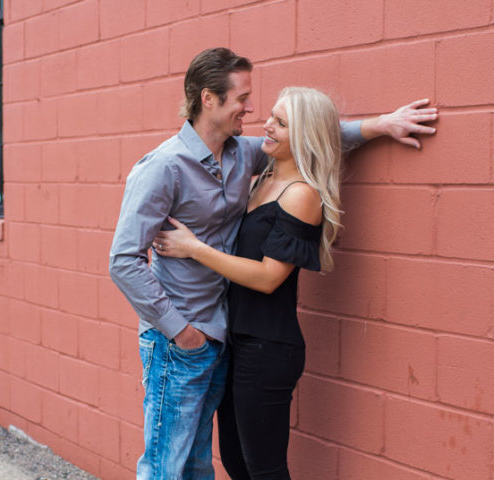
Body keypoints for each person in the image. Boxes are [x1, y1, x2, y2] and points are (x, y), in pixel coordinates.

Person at [109, 48, 437, 480]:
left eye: (261, 106)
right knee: (166, 466)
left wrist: (380, 126)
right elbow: (122, 262)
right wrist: (181, 331)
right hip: (182, 339)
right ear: (209, 99)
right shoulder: (164, 167)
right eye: (241, 98)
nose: (252, 109)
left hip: (223, 337)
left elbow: (317, 132)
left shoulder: (242, 155)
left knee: (199, 464)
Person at [154, 86, 345, 478]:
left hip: (268, 348)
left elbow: (267, 278)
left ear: (305, 135)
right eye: (271, 117)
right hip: (238, 341)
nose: (267, 127)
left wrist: (194, 248)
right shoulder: (265, 180)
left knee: (265, 469)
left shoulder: (301, 195)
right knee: (237, 461)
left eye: (280, 122)